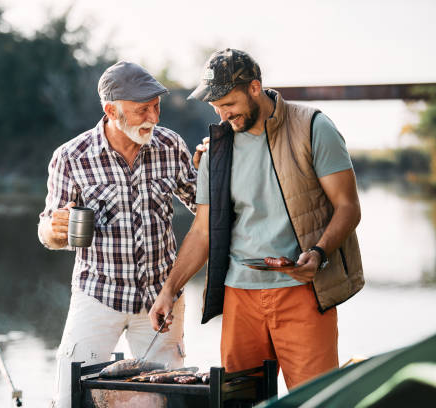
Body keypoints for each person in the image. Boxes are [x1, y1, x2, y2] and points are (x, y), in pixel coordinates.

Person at [149, 48, 364, 389]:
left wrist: (320, 253)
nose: (222, 114)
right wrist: (169, 291)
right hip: (239, 298)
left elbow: (349, 207)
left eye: (229, 103)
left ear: (254, 88)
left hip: (303, 292)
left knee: (314, 398)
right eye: (215, 106)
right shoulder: (215, 150)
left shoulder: (313, 127)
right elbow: (202, 231)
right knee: (238, 400)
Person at [38, 61, 198, 407]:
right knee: (69, 397)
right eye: (142, 110)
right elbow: (49, 232)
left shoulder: (171, 146)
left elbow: (206, 211)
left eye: (156, 106)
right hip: (97, 294)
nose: (153, 117)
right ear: (111, 110)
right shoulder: (70, 157)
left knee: (166, 399)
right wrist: (54, 229)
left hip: (162, 298)